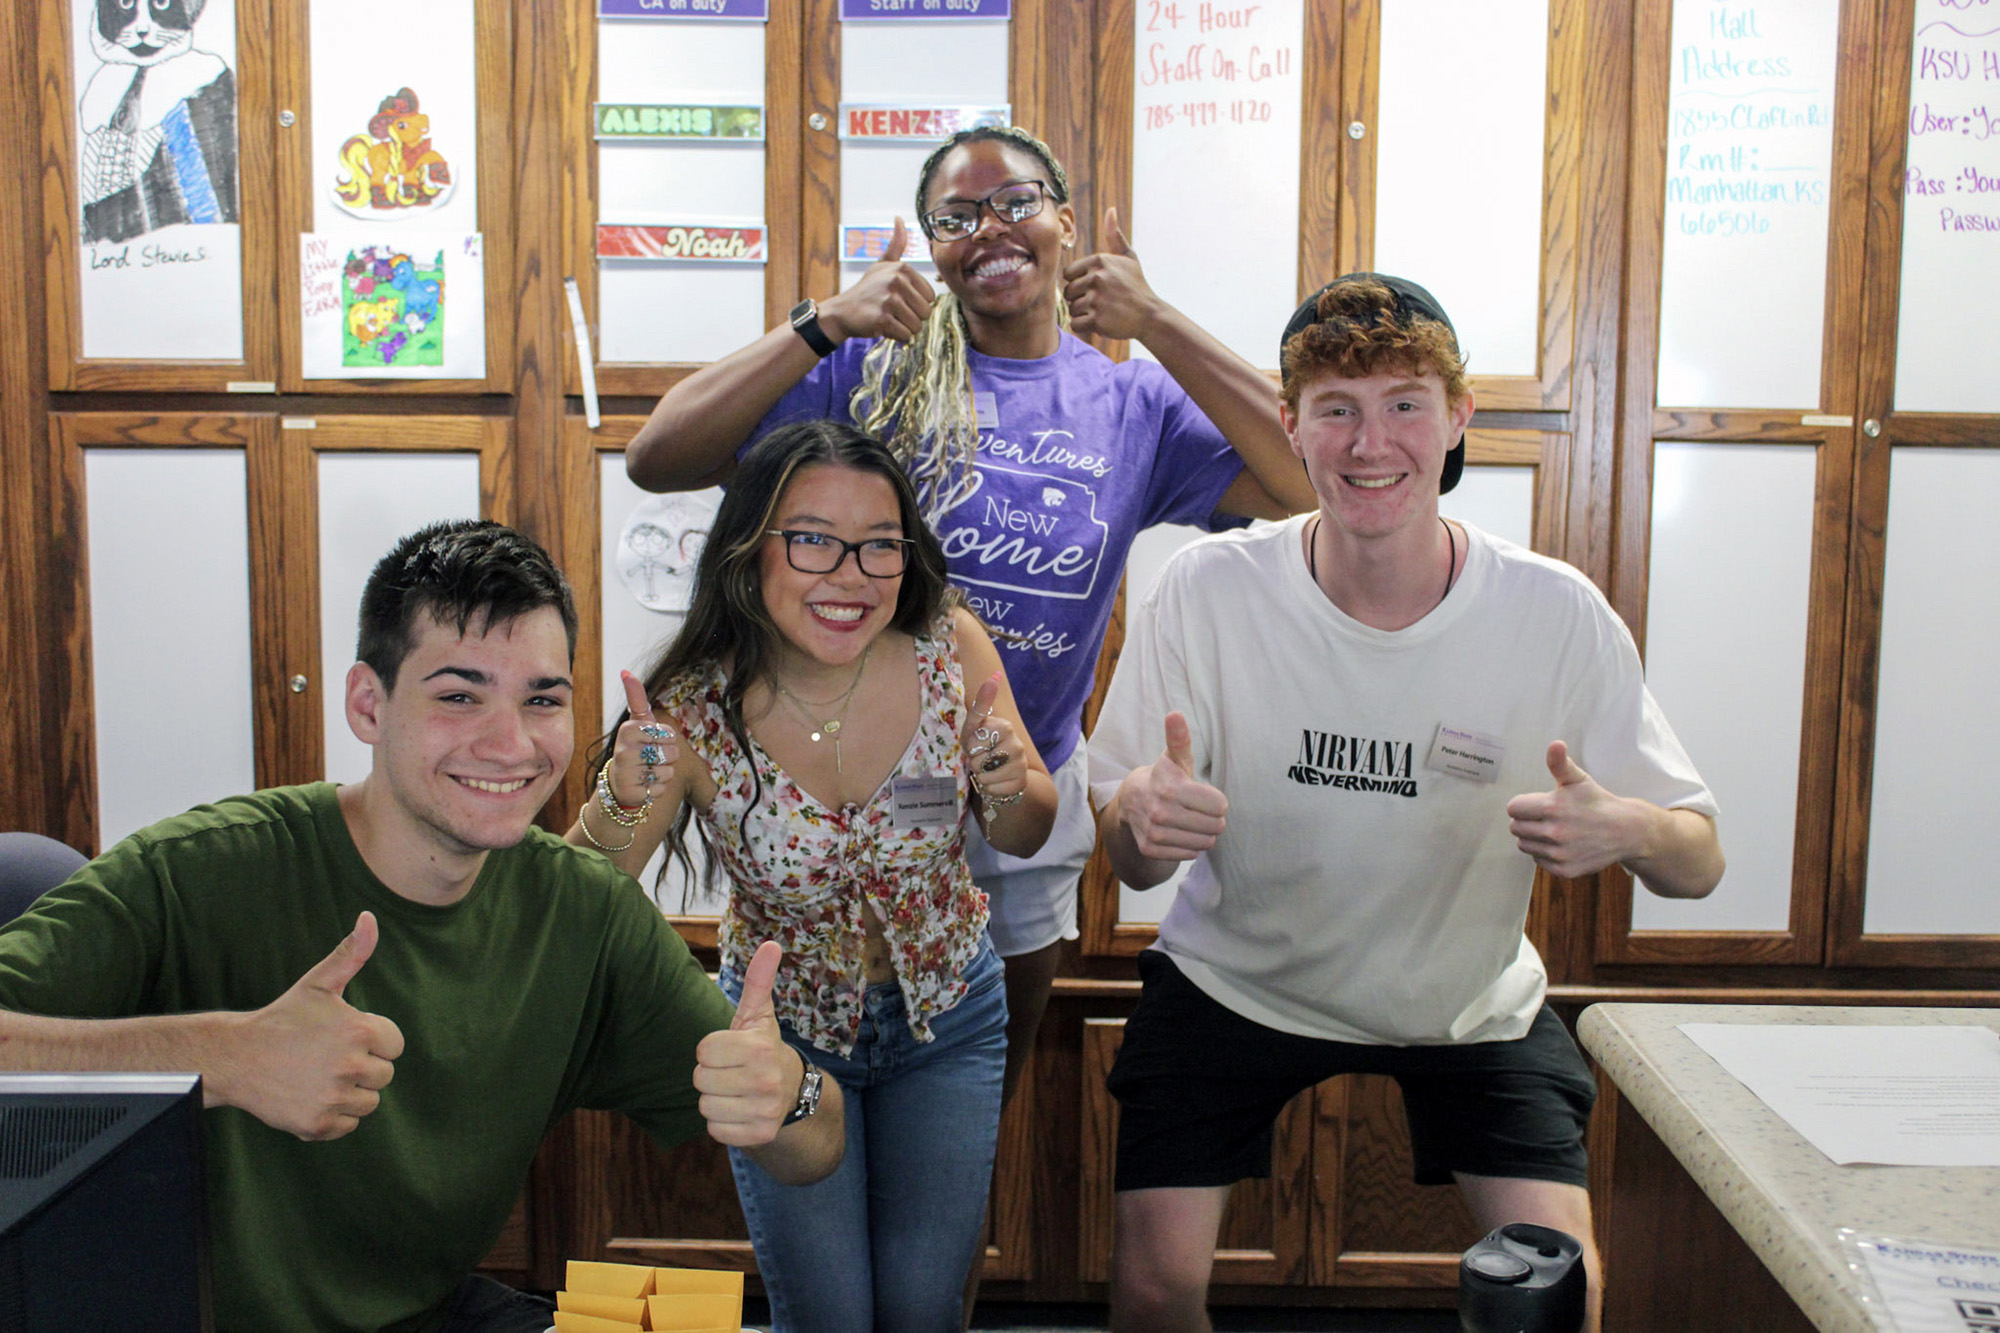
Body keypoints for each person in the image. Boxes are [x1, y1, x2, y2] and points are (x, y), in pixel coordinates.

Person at [0, 520, 843, 1333]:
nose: (510, 742)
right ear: (368, 703)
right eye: (458, 695)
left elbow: (817, 1147)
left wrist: (786, 1091)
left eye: (542, 699)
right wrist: (220, 1057)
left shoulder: (582, 912)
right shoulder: (202, 869)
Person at [622, 124, 1315, 1112]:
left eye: (1015, 201)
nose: (987, 228)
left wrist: (1153, 318)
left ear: (1065, 222)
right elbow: (657, 455)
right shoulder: (868, 374)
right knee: (816, 1088)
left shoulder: (1129, 402)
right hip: (850, 785)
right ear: (931, 246)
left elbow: (1302, 479)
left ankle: (942, 1270)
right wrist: (823, 322)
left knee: (973, 1099)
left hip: (1020, 792)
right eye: (954, 216)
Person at [1087, 274, 1725, 1333]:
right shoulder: (1205, 589)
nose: (1367, 442)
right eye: (1334, 409)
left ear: (1456, 418)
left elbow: (1696, 859)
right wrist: (1139, 821)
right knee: (1152, 1294)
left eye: (1402, 404)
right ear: (1289, 425)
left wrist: (1633, 828)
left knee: (1561, 1295)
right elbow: (1128, 850)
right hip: (1236, 979)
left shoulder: (1550, 611)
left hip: (1464, 998)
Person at [570, 420, 1057, 1332]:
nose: (851, 574)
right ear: (752, 550)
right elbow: (577, 897)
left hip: (948, 1019)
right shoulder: (693, 706)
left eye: (880, 545)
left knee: (922, 1310)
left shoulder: (948, 646)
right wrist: (618, 795)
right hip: (786, 1040)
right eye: (812, 540)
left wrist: (1006, 784)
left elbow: (1030, 828)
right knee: (828, 1314)